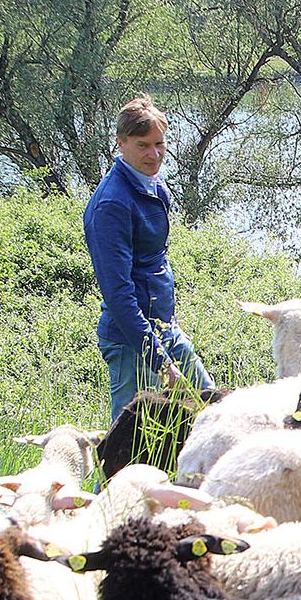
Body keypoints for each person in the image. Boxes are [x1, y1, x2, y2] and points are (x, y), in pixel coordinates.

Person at [83, 96, 215, 423]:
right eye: (143, 145)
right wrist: (158, 360)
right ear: (121, 142)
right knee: (127, 439)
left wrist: (166, 325)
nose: (154, 155)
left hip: (163, 326)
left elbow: (154, 262)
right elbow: (118, 295)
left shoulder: (153, 184)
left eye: (160, 144)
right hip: (131, 341)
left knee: (211, 410)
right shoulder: (112, 204)